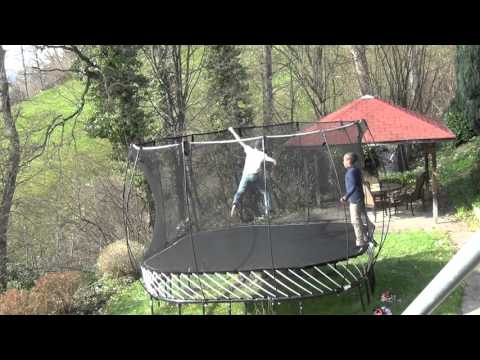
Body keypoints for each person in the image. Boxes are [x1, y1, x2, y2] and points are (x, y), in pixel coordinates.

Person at [228, 127, 277, 217]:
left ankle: (235, 204)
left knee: (239, 192)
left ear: (255, 146)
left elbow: (239, 141)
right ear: (261, 148)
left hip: (246, 175)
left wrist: (232, 131)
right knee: (266, 192)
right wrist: (274, 162)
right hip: (255, 176)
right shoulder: (262, 154)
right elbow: (272, 160)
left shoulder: (249, 150)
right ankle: (268, 211)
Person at [340, 152, 375, 247]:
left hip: (355, 200)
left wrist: (345, 197)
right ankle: (369, 229)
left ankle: (360, 241)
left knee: (355, 220)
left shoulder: (351, 172)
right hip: (358, 198)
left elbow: (353, 187)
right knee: (358, 219)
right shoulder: (355, 170)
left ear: (349, 160)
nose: (343, 162)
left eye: (344, 160)